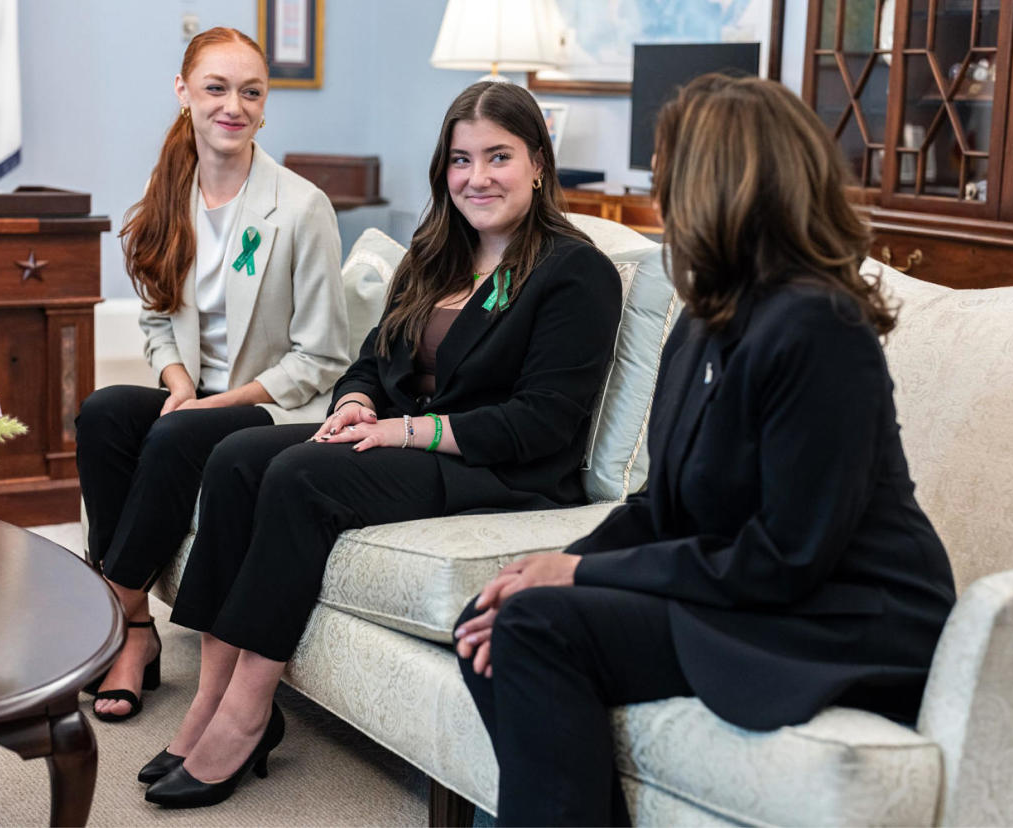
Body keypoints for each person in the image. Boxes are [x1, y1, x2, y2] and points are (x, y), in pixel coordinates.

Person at [453, 73, 958, 826]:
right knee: (490, 617)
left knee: (536, 627)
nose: (657, 187)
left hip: (844, 615)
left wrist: (583, 573)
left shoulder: (821, 329)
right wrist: (550, 568)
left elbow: (787, 556)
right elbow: (661, 507)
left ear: (722, 182)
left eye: (667, 169)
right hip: (751, 588)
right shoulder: (705, 320)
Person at [135, 80, 623, 808]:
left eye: (499, 157)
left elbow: (544, 421)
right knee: (236, 456)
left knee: (302, 478)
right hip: (402, 438)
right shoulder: (437, 251)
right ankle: (208, 699)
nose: (477, 177)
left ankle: (247, 714)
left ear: (538, 164)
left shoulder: (572, 271)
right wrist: (359, 400)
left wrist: (400, 429)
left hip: (502, 468)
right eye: (462, 160)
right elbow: (371, 355)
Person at [74, 27, 349, 723]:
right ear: (184, 93)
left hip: (276, 403)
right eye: (216, 88)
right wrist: (183, 388)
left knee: (177, 439)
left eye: (250, 91)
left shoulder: (301, 207)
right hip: (204, 394)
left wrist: (217, 402)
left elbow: (322, 355)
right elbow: (156, 318)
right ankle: (137, 627)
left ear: (265, 103)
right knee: (104, 411)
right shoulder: (171, 191)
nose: (234, 105)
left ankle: (115, 618)